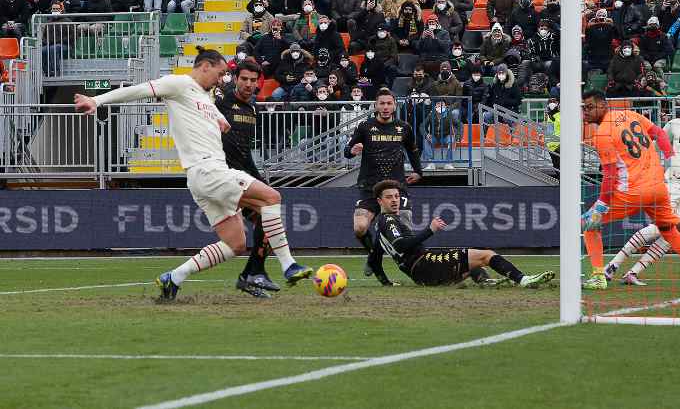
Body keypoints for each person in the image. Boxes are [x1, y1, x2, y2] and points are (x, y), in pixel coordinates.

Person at [74, 48, 313, 300]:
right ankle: (288, 265)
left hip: (202, 178)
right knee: (272, 198)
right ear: (205, 66)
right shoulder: (179, 83)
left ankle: (173, 277)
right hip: (209, 170)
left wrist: (220, 119)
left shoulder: (204, 97)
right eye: (220, 73)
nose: (221, 79)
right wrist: (97, 100)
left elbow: (206, 112)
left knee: (235, 243)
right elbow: (139, 89)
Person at [580, 89, 680, 290]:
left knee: (588, 224)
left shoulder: (602, 134)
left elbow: (610, 176)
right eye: (584, 108)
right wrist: (669, 156)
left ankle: (599, 275)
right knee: (670, 230)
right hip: (659, 188)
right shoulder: (631, 115)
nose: (586, 112)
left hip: (633, 192)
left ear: (603, 104)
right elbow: (659, 133)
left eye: (590, 107)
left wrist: (600, 206)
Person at [369, 179, 555, 287]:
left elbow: (375, 259)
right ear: (379, 201)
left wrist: (386, 283)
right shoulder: (388, 220)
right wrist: (430, 230)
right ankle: (523, 279)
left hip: (421, 272)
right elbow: (400, 245)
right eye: (389, 197)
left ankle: (485, 281)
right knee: (486, 255)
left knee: (471, 258)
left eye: (396, 196)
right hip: (424, 265)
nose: (394, 201)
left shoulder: (380, 226)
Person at [214, 60, 280, 298]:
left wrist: (259, 179)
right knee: (268, 219)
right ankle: (253, 274)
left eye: (253, 80)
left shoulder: (253, 110)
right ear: (235, 78)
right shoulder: (220, 103)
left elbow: (244, 152)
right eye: (244, 79)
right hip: (223, 178)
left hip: (243, 176)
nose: (248, 84)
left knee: (269, 222)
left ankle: (251, 275)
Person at [344, 88, 423, 279]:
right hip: (369, 187)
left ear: (395, 106)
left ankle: (417, 267)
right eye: (382, 103)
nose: (385, 107)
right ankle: (374, 257)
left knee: (404, 232)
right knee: (360, 227)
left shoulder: (404, 128)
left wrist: (418, 172)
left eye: (389, 103)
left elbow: (412, 151)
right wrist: (352, 150)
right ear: (375, 106)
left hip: (396, 188)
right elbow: (347, 150)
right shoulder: (364, 126)